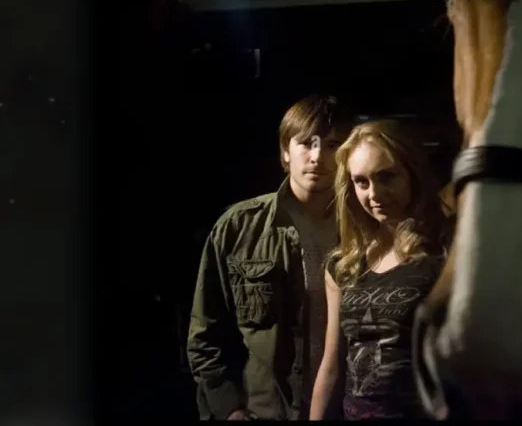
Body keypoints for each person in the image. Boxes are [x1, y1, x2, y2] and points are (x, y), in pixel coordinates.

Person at [186, 94, 348, 420]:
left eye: (332, 145)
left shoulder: (365, 229)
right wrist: (228, 409)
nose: (317, 156)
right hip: (266, 412)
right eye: (306, 142)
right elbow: (204, 334)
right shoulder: (239, 227)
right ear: (285, 152)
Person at [309, 120, 451, 420]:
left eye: (387, 177)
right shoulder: (343, 266)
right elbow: (332, 364)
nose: (374, 193)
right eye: (362, 182)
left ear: (411, 174)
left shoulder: (444, 252)